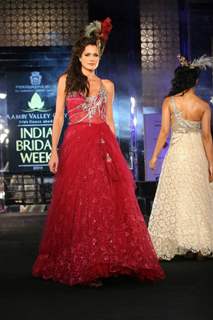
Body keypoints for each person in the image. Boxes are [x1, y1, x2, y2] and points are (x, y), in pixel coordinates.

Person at [32, 18, 164, 286]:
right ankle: (84, 261)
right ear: (79, 56)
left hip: (102, 143)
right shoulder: (66, 81)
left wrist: (115, 151)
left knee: (104, 202)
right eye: (88, 55)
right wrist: (53, 151)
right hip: (76, 143)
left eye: (96, 55)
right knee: (81, 201)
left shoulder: (107, 85)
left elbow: (110, 122)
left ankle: (105, 258)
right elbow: (58, 118)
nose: (93, 59)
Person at [148, 54, 213, 261]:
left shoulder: (169, 101)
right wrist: (211, 164)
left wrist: (155, 156)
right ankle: (201, 246)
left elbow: (164, 131)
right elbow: (206, 137)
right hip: (196, 154)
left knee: (176, 195)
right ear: (195, 81)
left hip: (177, 153)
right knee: (197, 195)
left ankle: (177, 241)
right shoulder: (203, 106)